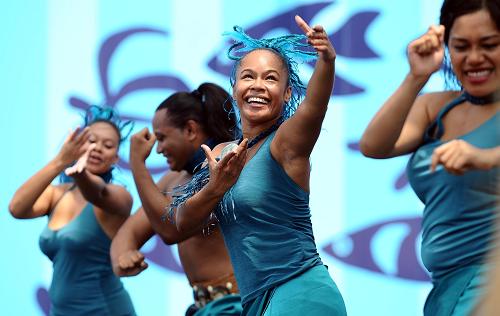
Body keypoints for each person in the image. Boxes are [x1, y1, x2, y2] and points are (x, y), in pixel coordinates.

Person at [169, 16, 346, 315]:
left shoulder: (286, 142)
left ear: (288, 92)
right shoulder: (221, 154)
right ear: (235, 86)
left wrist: (326, 62)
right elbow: (183, 224)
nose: (258, 86)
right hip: (256, 301)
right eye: (249, 76)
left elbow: (314, 107)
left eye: (271, 78)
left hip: (301, 291)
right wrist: (215, 187)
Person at [359, 0, 500, 314]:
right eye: (461, 46)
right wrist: (417, 76)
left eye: (490, 45)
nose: (475, 58)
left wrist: (485, 157)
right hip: (444, 288)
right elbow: (374, 145)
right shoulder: (436, 107)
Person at [110, 82, 243, 316]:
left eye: (162, 138)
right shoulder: (173, 179)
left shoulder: (224, 168)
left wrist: (138, 165)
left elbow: (171, 229)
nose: (158, 149)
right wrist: (123, 256)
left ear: (190, 130)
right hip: (205, 308)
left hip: (238, 306)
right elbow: (127, 234)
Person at [9, 106, 136, 315]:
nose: (97, 148)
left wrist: (81, 175)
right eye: (91, 140)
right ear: (76, 144)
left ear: (115, 158)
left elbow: (98, 193)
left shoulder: (119, 196)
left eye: (108, 145)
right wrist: (60, 161)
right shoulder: (57, 194)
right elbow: (17, 208)